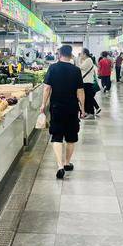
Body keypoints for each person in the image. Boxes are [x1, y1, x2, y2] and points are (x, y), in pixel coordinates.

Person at [40, 45, 85, 179]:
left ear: (59, 54)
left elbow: (47, 88)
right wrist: (82, 108)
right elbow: (80, 91)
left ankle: (59, 166)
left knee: (57, 136)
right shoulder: (76, 70)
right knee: (71, 136)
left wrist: (43, 104)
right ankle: (66, 163)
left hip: (56, 107)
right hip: (72, 107)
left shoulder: (53, 68)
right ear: (71, 55)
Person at [79, 48, 100, 117]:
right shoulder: (87, 60)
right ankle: (88, 112)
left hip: (87, 82)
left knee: (88, 97)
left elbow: (81, 67)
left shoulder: (88, 60)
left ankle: (91, 113)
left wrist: (80, 60)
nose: (80, 55)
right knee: (87, 97)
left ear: (85, 54)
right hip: (85, 81)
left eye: (81, 53)